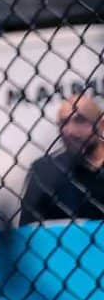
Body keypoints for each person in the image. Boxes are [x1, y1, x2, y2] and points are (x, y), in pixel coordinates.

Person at [20, 91, 104, 224]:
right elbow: (29, 229)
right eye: (64, 123)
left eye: (80, 120)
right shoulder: (44, 171)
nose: (69, 131)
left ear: (101, 124)